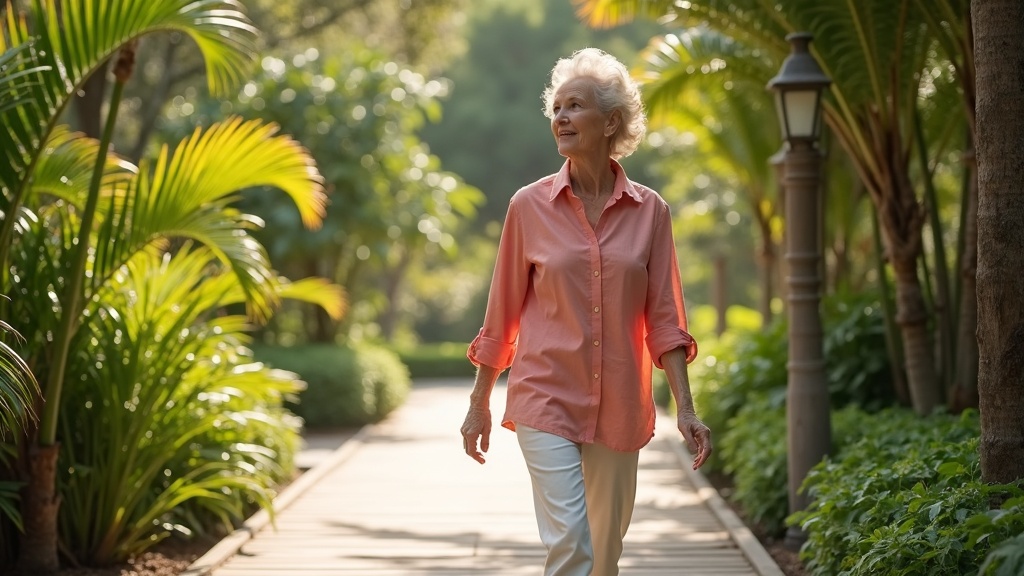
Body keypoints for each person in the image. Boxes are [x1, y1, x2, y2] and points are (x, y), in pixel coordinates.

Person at [460, 47, 712, 576]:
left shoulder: (652, 213)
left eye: (574, 107)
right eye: (556, 108)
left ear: (611, 121)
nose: (561, 118)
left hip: (620, 402)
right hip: (544, 395)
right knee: (571, 544)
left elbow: (665, 321)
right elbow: (501, 313)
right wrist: (480, 401)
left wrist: (685, 409)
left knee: (604, 554)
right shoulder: (527, 206)